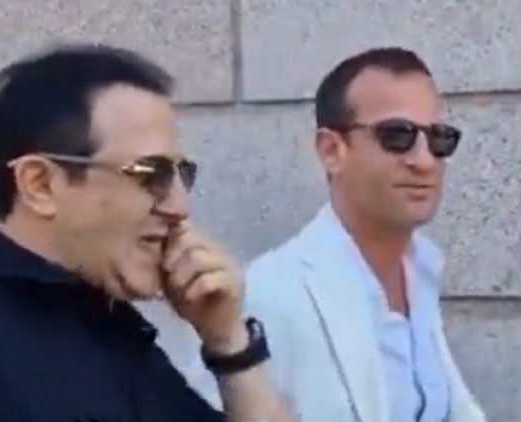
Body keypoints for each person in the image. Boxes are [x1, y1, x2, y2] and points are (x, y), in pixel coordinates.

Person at [0, 44, 289, 422]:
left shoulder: (111, 336)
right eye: (150, 174)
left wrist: (230, 344)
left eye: (181, 175)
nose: (178, 206)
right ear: (40, 185)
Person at [180, 47, 488, 421]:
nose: (425, 161)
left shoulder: (421, 272)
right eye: (397, 135)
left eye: (439, 138)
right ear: (331, 151)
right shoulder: (264, 297)